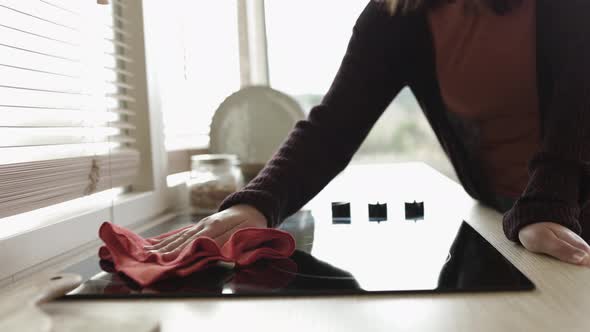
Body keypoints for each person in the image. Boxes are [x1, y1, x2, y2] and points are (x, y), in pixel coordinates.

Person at [145, 0, 590, 267]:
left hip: (564, 205)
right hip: (512, 217)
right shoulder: (397, 16)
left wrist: (548, 203)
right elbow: (333, 127)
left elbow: (580, 103)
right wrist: (254, 203)